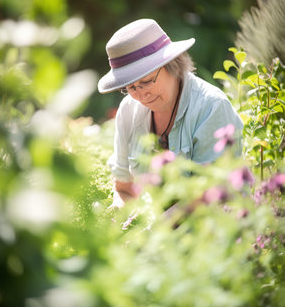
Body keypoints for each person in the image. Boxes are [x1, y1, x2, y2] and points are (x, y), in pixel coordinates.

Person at [98, 18, 243, 208]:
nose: (141, 95)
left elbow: (211, 195)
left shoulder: (211, 106)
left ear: (172, 65)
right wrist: (121, 214)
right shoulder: (128, 109)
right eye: (131, 87)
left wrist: (154, 231)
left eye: (147, 81)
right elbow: (124, 187)